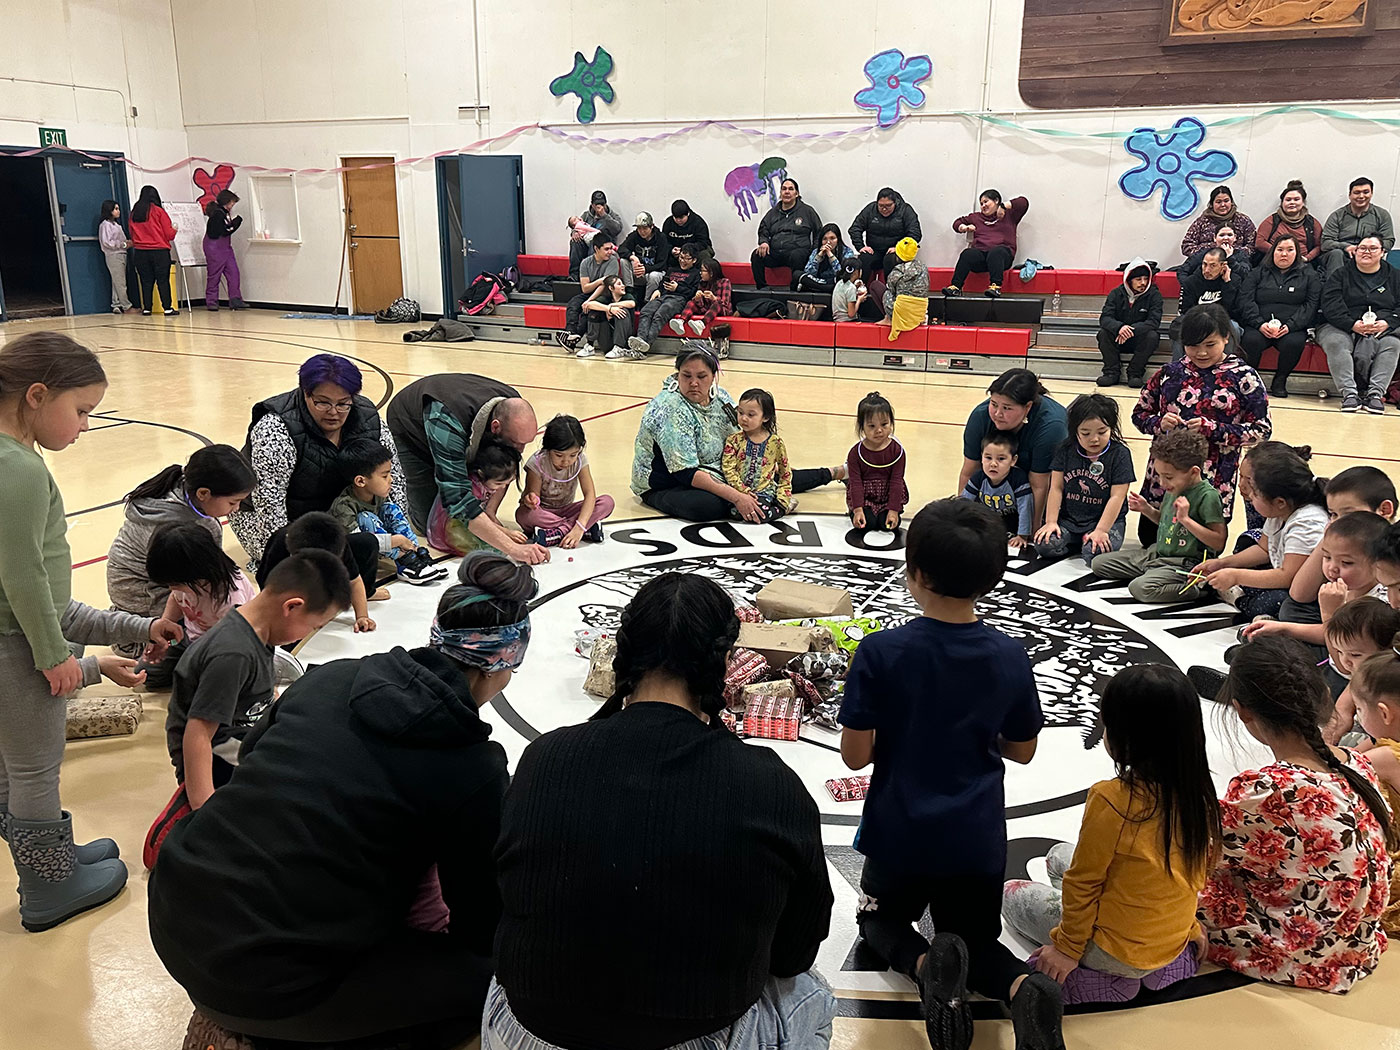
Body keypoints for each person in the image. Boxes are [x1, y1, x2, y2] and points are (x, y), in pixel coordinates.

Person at [151, 553, 529, 1048]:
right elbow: (480, 920)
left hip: (177, 906)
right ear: (499, 669)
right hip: (266, 979)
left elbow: (255, 755)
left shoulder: (332, 676)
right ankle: (272, 1034)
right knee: (494, 984)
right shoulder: (471, 764)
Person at [487, 572, 836, 1050]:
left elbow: (507, 893)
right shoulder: (771, 782)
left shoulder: (546, 756)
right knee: (811, 992)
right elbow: (797, 949)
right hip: (696, 1034)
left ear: (624, 653)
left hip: (528, 1031)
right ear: (727, 663)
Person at [839, 499, 1063, 1049]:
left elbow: (855, 757)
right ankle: (1020, 987)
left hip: (900, 831)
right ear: (992, 576)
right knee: (980, 944)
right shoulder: (1010, 656)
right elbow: (1023, 749)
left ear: (914, 572)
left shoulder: (881, 652)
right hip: (974, 836)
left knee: (879, 924)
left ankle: (924, 965)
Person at [0, 333, 183, 932]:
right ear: (35, 396)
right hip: (17, 645)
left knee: (13, 769)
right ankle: (49, 885)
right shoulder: (20, 469)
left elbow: (52, 599)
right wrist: (58, 658)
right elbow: (25, 577)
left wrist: (139, 627)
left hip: (20, 632)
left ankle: (49, 858)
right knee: (33, 770)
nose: (84, 427)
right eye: (80, 411)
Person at [1002, 665, 1220, 1004]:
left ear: (1124, 737)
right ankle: (1163, 966)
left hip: (1113, 950)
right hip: (1171, 936)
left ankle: (1110, 979)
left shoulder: (1113, 798)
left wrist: (1066, 949)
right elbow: (1192, 873)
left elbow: (1084, 883)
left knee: (1011, 893)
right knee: (1059, 855)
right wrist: (1188, 926)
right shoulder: (1199, 793)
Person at [1199, 638, 1394, 992]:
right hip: (1358, 943)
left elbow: (1203, 857)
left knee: (1158, 880)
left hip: (1305, 954)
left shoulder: (1267, 790)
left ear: (1243, 712)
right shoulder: (1358, 765)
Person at [164, 549, 349, 812]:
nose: (310, 632)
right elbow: (198, 735)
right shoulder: (233, 654)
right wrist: (204, 810)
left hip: (242, 736)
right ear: (292, 607)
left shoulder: (261, 628)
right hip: (219, 756)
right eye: (314, 626)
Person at [231, 354, 407, 582]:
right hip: (278, 520)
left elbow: (394, 479)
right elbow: (269, 505)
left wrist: (398, 532)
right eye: (322, 402)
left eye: (343, 403)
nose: (334, 412)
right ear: (305, 393)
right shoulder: (275, 428)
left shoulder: (369, 419)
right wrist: (283, 560)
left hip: (338, 513)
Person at [630, 343, 839, 522]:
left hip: (724, 470)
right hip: (671, 483)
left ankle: (837, 472)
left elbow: (745, 433)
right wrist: (738, 496)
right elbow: (685, 472)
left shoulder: (721, 397)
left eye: (702, 376)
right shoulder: (670, 407)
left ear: (714, 376)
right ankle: (764, 501)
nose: (694, 383)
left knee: (769, 474)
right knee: (706, 506)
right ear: (677, 374)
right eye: (686, 376)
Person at [1133, 304, 1272, 546]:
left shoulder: (1243, 377)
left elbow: (1262, 430)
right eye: (1193, 346)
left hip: (1214, 479)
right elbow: (1139, 415)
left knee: (1201, 548)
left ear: (1226, 337)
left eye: (1210, 344)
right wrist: (1158, 423)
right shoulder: (1169, 373)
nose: (1202, 353)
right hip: (1164, 480)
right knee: (1150, 541)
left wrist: (1215, 429)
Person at [385, 373, 548, 565]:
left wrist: (490, 514)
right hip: (410, 426)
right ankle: (406, 497)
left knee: (490, 474)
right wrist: (513, 549)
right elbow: (458, 498)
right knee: (428, 521)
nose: (520, 450)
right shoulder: (446, 423)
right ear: (495, 427)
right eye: (515, 442)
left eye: (525, 443)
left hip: (458, 424)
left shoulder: (512, 404)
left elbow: (507, 469)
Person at [107, 445, 254, 657]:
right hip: (144, 592)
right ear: (204, 493)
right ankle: (132, 634)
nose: (237, 508)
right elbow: (177, 589)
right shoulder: (176, 528)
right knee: (179, 652)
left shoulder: (185, 493)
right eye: (233, 502)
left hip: (154, 587)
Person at [1092, 428, 1227, 603]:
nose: (1162, 483)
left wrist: (1186, 520)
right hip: (1156, 554)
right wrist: (1146, 509)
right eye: (1160, 476)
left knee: (1141, 589)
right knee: (1099, 564)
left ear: (1194, 472)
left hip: (1184, 563)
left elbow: (1218, 542)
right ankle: (1155, 573)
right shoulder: (1175, 487)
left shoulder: (1208, 496)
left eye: (1168, 477)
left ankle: (1201, 588)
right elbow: (1166, 522)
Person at [1200, 443, 1329, 622]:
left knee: (1279, 602)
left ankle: (1242, 601)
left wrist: (1236, 575)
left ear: (1279, 501)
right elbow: (1264, 549)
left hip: (1305, 593)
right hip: (1285, 575)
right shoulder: (1281, 508)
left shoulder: (1307, 522)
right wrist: (1223, 564)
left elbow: (1288, 577)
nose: (1247, 494)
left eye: (1254, 493)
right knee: (1245, 545)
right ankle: (1246, 594)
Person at [958, 368, 1069, 532]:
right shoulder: (980, 417)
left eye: (1007, 408)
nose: (997, 413)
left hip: (1042, 487)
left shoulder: (1051, 427)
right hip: (1001, 486)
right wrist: (959, 517)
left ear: (1028, 407)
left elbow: (1040, 485)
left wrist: (1031, 531)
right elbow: (969, 471)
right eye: (994, 404)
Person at [144, 523, 257, 680]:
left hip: (221, 646)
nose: (171, 588)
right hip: (191, 636)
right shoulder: (187, 579)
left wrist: (199, 660)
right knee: (145, 673)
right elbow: (176, 598)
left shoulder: (230, 598)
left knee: (200, 682)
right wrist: (165, 629)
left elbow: (235, 643)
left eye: (176, 584)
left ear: (198, 572)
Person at [1034, 394, 1134, 567]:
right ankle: (1076, 542)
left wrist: (1101, 530)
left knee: (1096, 554)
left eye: (1102, 432)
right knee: (1044, 545)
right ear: (1075, 432)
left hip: (1104, 522)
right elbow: (1056, 488)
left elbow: (1117, 497)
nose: (1094, 439)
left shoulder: (1120, 454)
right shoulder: (1065, 450)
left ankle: (1084, 544)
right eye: (1085, 433)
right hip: (1069, 521)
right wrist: (1050, 522)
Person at [329, 439, 444, 584]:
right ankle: (404, 559)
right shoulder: (344, 507)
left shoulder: (378, 495)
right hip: (348, 553)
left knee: (391, 509)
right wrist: (396, 541)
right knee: (366, 517)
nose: (391, 479)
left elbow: (393, 519)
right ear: (360, 481)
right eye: (384, 476)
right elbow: (360, 543)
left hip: (379, 543)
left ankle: (414, 552)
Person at [1316, 233, 1400, 414]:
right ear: (1355, 252)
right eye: (1362, 248)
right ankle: (1349, 394)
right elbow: (1330, 305)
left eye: (1372, 248)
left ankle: (1375, 395)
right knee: (1336, 342)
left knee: (1392, 344)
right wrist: (1352, 324)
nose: (1366, 252)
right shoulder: (1340, 274)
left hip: (1382, 328)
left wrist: (1388, 322)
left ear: (1383, 252)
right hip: (1340, 325)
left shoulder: (1395, 276)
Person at [256, 512, 377, 634]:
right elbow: (268, 592)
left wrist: (362, 616)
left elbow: (354, 581)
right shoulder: (280, 546)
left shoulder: (338, 544)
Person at [1351, 648, 1400, 932]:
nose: (1357, 717)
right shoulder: (1384, 748)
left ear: (1383, 712)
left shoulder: (1387, 757)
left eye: (1358, 709)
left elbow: (1333, 770)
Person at [1238, 235, 1321, 398]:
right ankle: (1251, 380)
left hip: (1292, 327)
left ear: (1297, 253)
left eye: (1290, 250)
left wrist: (1291, 325)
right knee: (1251, 340)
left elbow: (1311, 305)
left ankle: (1280, 379)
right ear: (1272, 252)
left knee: (1294, 342)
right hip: (1260, 325)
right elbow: (1245, 300)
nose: (1284, 254)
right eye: (1280, 250)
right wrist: (1259, 324)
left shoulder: (1309, 275)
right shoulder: (1257, 272)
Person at [516, 414, 614, 548]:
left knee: (607, 502)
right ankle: (586, 528)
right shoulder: (537, 463)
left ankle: (557, 533)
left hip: (567, 509)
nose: (566, 461)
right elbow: (534, 498)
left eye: (573, 455)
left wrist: (578, 528)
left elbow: (589, 494)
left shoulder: (580, 460)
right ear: (548, 449)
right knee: (523, 515)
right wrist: (531, 500)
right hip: (544, 513)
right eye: (559, 455)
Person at [722, 388, 803, 522]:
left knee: (758, 514)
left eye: (751, 414)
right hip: (738, 492)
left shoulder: (775, 443)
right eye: (740, 412)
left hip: (764, 492)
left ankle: (783, 508)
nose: (743, 418)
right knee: (734, 513)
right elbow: (728, 469)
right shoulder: (733, 440)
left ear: (765, 417)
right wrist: (743, 490)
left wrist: (784, 495)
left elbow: (785, 472)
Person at [942, 189, 1029, 298]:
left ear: (996, 200)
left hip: (1002, 258)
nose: (983, 206)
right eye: (981, 204)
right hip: (981, 258)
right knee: (967, 254)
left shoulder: (1009, 215)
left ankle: (996, 287)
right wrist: (964, 228)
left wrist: (1003, 206)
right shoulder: (976, 217)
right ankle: (956, 287)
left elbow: (1023, 202)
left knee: (996, 252)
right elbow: (957, 223)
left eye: (986, 202)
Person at [627, 242, 702, 358]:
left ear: (694, 260)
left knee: (660, 314)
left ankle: (645, 346)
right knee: (646, 311)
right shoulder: (672, 269)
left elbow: (693, 292)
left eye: (687, 259)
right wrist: (658, 290)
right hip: (663, 296)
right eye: (681, 257)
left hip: (679, 299)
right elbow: (663, 282)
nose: (683, 261)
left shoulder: (696, 274)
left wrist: (678, 288)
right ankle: (640, 341)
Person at [1096, 258, 1163, 387]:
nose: (1143, 283)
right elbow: (1105, 318)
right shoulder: (1116, 293)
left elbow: (1154, 322)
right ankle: (1111, 373)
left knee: (1152, 336)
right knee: (1103, 334)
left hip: (1139, 339)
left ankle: (1135, 373)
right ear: (1129, 280)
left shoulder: (1154, 295)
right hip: (1118, 338)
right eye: (1139, 279)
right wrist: (1120, 327)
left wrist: (1131, 330)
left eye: (1146, 279)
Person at [846, 391, 907, 533]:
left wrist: (893, 510)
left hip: (887, 499)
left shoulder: (897, 452)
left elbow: (896, 481)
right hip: (865, 499)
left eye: (884, 424)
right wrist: (858, 510)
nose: (879, 430)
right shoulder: (855, 453)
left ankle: (889, 512)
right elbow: (855, 483)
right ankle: (859, 511)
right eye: (871, 426)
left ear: (891, 423)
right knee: (868, 524)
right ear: (862, 427)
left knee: (886, 524)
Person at [558, 237, 630, 353]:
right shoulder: (585, 263)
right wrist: (600, 280)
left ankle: (577, 337)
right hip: (589, 293)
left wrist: (589, 301)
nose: (610, 252)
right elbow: (585, 288)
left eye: (611, 248)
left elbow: (605, 286)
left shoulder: (612, 261)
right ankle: (570, 333)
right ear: (596, 249)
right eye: (606, 249)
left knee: (589, 310)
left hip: (605, 294)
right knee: (573, 303)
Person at [1170, 248, 1243, 361]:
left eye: (1212, 266)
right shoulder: (1191, 282)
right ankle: (1178, 368)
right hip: (1196, 319)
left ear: (1223, 266)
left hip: (1222, 321)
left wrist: (1227, 284)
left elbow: (1233, 311)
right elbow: (1185, 310)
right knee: (1178, 327)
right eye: (1204, 264)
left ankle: (1226, 364)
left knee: (1234, 327)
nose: (1207, 270)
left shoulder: (1234, 281)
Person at [961, 432, 1032, 547]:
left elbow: (1025, 507)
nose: (993, 464)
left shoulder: (1018, 479)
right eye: (988, 458)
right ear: (981, 457)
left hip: (1011, 526)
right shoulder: (978, 477)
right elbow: (964, 502)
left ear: (1013, 460)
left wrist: (1022, 535)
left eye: (1001, 459)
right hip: (986, 522)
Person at [750, 177, 822, 291]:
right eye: (784, 189)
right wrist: (764, 242)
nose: (787, 192)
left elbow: (819, 232)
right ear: (781, 193)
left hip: (797, 252)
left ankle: (794, 289)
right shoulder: (773, 212)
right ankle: (762, 288)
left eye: (790, 189)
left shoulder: (807, 211)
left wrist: (814, 251)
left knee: (797, 255)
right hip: (776, 253)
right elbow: (763, 229)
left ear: (797, 193)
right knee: (756, 255)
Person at [1321, 177, 1395, 276]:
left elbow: (1388, 240)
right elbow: (1325, 243)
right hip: (1342, 254)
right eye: (1357, 192)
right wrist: (1346, 247)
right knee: (1336, 254)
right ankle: (1335, 288)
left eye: (1366, 192)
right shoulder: (1337, 215)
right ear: (1349, 195)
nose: (1361, 196)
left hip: (1369, 254)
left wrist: (1367, 249)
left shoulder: (1382, 215)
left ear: (1371, 194)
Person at [848, 187, 923, 281]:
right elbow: (854, 228)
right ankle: (861, 289)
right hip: (874, 250)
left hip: (896, 252)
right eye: (880, 206)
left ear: (895, 203)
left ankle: (890, 290)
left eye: (888, 206)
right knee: (864, 258)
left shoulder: (905, 210)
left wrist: (899, 248)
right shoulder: (870, 209)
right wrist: (861, 247)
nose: (884, 209)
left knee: (890, 260)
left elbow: (915, 234)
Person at [129, 184, 179, 316]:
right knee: (162, 280)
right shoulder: (158, 211)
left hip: (140, 252)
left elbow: (132, 234)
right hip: (159, 251)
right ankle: (167, 308)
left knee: (146, 281)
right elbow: (169, 234)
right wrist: (175, 229)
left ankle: (147, 308)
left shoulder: (134, 213)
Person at [1254, 180, 1324, 265]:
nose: (1292, 202)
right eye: (1288, 200)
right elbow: (1259, 242)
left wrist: (1307, 258)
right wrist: (1279, 252)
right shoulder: (1272, 220)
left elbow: (1319, 245)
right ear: (1282, 203)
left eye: (1296, 199)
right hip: (1273, 261)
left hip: (1302, 263)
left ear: (1303, 203)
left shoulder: (1312, 223)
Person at [1180, 184, 1256, 259]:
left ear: (1231, 202)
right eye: (1218, 202)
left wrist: (1231, 252)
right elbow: (1186, 246)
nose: (1223, 205)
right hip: (1206, 263)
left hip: (1237, 263)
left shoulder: (1243, 220)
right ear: (1212, 204)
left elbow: (1252, 247)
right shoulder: (1203, 221)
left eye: (1226, 201)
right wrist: (1213, 251)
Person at [575, 274, 636, 359]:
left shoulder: (627, 296)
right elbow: (590, 304)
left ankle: (619, 348)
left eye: (622, 284)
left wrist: (612, 306)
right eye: (619, 284)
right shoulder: (606, 298)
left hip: (624, 340)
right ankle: (590, 346)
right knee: (594, 312)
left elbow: (631, 303)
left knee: (622, 311)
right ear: (611, 288)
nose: (623, 286)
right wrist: (608, 309)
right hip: (607, 340)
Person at [202, 189, 245, 311]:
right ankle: (211, 301)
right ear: (227, 202)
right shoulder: (217, 215)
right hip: (214, 248)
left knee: (234, 273)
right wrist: (236, 223)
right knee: (214, 275)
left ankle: (235, 299)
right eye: (232, 203)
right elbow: (222, 231)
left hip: (225, 248)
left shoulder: (224, 213)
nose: (232, 206)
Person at [567, 189, 623, 277]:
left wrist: (604, 216)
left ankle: (591, 275)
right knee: (575, 242)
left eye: (602, 204)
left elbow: (618, 229)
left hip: (602, 246)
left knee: (595, 241)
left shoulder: (612, 216)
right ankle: (574, 275)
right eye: (597, 204)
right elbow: (577, 225)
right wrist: (574, 232)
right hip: (586, 244)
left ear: (605, 204)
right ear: (592, 205)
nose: (599, 206)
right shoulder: (586, 215)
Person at [672, 257, 732, 336]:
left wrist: (714, 298)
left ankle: (702, 323)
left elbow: (725, 303)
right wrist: (697, 299)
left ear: (711, 273)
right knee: (691, 302)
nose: (700, 273)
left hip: (722, 309)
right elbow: (701, 305)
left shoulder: (724, 282)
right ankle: (681, 321)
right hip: (706, 308)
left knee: (717, 304)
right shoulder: (702, 283)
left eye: (703, 271)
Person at [619, 211, 671, 298]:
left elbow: (662, 264)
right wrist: (632, 257)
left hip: (654, 272)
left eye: (645, 228)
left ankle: (647, 301)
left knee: (654, 276)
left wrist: (646, 269)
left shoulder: (661, 238)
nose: (642, 232)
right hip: (639, 272)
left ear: (652, 226)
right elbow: (621, 249)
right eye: (639, 228)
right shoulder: (634, 236)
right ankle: (629, 292)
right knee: (623, 261)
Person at [880, 236, 929, 326]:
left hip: (902, 313)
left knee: (885, 291)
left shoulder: (896, 272)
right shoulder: (923, 267)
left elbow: (891, 290)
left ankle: (889, 319)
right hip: (920, 311)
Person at [795, 223, 857, 293]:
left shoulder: (847, 252)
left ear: (838, 239)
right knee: (797, 274)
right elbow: (809, 273)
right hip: (819, 281)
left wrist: (831, 256)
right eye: (825, 239)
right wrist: (819, 257)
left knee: (841, 282)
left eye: (832, 238)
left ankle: (816, 288)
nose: (828, 242)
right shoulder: (816, 251)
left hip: (835, 282)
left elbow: (842, 275)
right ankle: (820, 288)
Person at [98, 199, 134, 313]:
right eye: (115, 209)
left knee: (116, 281)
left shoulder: (116, 225)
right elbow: (107, 242)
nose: (118, 211)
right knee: (120, 282)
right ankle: (126, 306)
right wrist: (122, 244)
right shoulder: (105, 225)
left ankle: (116, 304)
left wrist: (127, 243)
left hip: (121, 253)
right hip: (114, 255)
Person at [1179, 226, 1251, 277]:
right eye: (1221, 235)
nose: (1226, 238)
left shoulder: (1241, 254)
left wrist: (1230, 258)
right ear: (1215, 238)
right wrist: (1188, 287)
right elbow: (1183, 271)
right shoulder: (1205, 253)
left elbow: (1246, 275)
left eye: (1229, 235)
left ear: (1235, 238)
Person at [832, 256, 882, 322]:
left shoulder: (840, 283)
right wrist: (859, 300)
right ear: (856, 272)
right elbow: (851, 314)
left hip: (837, 319)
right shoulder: (851, 288)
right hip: (846, 321)